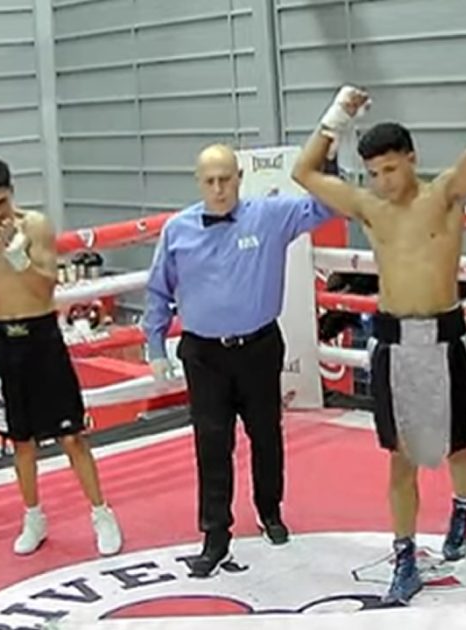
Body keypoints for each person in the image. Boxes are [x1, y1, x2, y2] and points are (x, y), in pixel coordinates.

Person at [290, 36, 466, 605]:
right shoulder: (370, 207)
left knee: (458, 444)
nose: (382, 181)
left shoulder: (445, 194)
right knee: (399, 459)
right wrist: (337, 116)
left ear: (411, 159)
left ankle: (461, 510)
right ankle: (404, 558)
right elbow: (303, 171)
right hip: (393, 343)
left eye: (390, 169)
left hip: (444, 338)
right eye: (373, 172)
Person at [143, 143, 337, 578]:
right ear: (198, 183)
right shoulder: (177, 230)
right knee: (212, 445)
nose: (218, 188)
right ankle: (215, 535)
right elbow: (158, 291)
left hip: (259, 347)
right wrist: (154, 347)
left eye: (225, 179)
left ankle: (270, 511)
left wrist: (328, 156)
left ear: (240, 178)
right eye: (210, 181)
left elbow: (326, 207)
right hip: (204, 354)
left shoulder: (269, 215)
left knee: (266, 434)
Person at [0, 157, 122, 557]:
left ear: (12, 193)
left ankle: (102, 514)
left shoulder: (36, 226)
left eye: (2, 201)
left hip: (41, 335)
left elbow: (46, 287)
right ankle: (33, 517)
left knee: (71, 435)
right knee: (21, 441)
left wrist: (20, 258)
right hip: (1, 339)